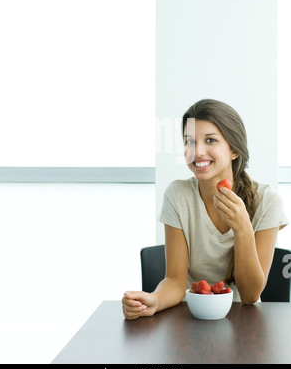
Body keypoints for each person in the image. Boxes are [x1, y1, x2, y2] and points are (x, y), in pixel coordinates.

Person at [122, 99, 288, 320]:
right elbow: (175, 280)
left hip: (243, 323)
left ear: (234, 150)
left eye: (210, 140)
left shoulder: (267, 201)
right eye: (189, 142)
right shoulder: (177, 195)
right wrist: (154, 300)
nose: (197, 151)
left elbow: (249, 295)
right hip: (190, 318)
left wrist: (243, 229)